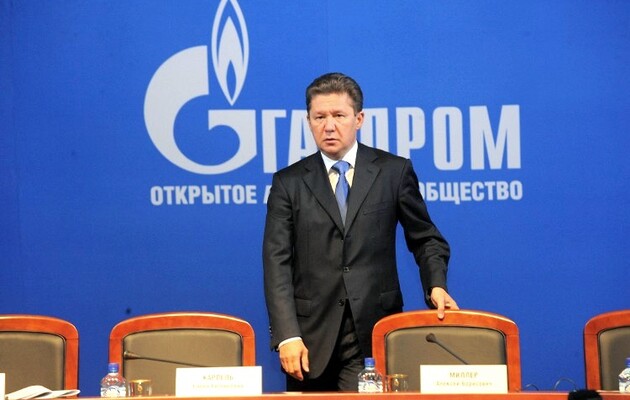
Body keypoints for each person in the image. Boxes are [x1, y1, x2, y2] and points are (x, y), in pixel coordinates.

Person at [263, 72, 458, 392]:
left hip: (373, 331)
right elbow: (276, 262)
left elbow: (426, 238)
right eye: (319, 117)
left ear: (359, 119)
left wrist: (435, 284)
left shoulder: (393, 172)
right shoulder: (289, 182)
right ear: (308, 121)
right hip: (309, 341)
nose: (329, 126)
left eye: (339, 115)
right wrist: (287, 336)